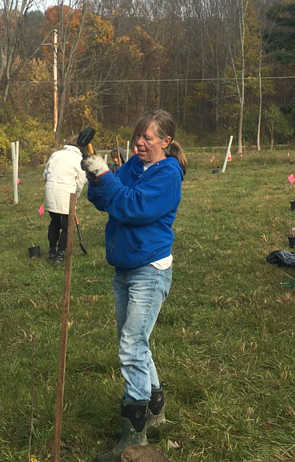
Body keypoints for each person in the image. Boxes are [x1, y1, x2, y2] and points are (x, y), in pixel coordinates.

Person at [83, 110, 186, 462]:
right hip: (125, 266)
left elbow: (132, 207)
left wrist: (108, 179)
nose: (139, 142)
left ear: (165, 142)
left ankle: (134, 437)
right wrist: (97, 177)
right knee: (134, 342)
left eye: (147, 138)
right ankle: (154, 409)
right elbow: (103, 201)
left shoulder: (168, 174)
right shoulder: (132, 166)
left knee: (131, 345)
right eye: (137, 136)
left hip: (149, 268)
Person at [43, 137, 86, 263]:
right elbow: (81, 180)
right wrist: (76, 197)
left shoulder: (55, 155)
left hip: (51, 191)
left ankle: (52, 250)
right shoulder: (78, 159)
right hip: (67, 193)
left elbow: (45, 174)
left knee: (54, 222)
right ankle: (60, 254)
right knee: (67, 226)